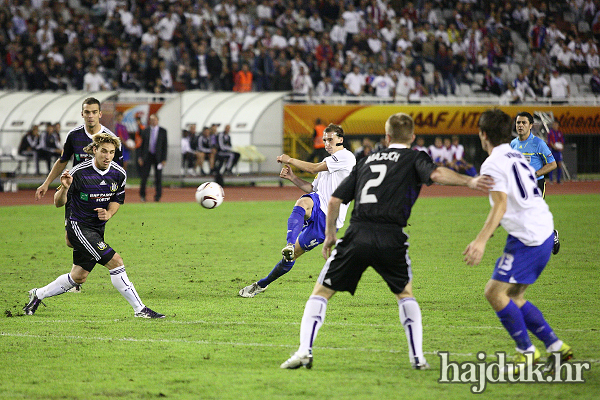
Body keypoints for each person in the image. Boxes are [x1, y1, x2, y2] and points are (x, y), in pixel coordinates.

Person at [279, 113, 493, 370]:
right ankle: (417, 358)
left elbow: (335, 199)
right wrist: (470, 180)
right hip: (392, 236)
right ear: (412, 137)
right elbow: (436, 175)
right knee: (405, 294)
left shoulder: (367, 158)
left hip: (357, 234)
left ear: (387, 137)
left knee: (321, 293)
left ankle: (304, 351)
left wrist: (331, 237)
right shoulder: (415, 157)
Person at [463, 109, 571, 376]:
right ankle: (555, 346)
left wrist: (480, 240)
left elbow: (500, 204)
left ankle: (526, 351)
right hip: (543, 230)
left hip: (528, 239)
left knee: (494, 293)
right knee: (515, 296)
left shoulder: (492, 163)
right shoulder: (516, 155)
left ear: (482, 134)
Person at [23, 133, 164, 319]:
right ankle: (140, 309)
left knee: (78, 277)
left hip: (96, 230)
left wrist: (109, 213)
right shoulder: (78, 172)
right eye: (104, 151)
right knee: (116, 261)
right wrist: (64, 187)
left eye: (112, 152)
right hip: (78, 227)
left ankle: (38, 294)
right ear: (95, 150)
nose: (107, 156)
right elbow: (58, 203)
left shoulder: (119, 174)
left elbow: (117, 200)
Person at [239, 124, 356, 298]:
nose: (327, 143)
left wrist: (290, 159)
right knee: (303, 202)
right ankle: (289, 243)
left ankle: (262, 284)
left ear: (340, 139)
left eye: (330, 139)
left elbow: (313, 168)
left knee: (290, 259)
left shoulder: (346, 157)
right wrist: (292, 177)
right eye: (324, 140)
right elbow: (311, 188)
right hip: (318, 204)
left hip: (330, 220)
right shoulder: (328, 162)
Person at [138, 113, 168, 202]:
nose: (153, 121)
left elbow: (165, 146)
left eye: (155, 120)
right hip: (147, 156)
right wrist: (140, 157)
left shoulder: (163, 131)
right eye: (151, 120)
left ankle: (158, 196)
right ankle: (142, 195)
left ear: (158, 120)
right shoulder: (145, 131)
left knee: (158, 177)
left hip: (158, 157)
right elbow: (141, 145)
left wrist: (164, 159)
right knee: (144, 176)